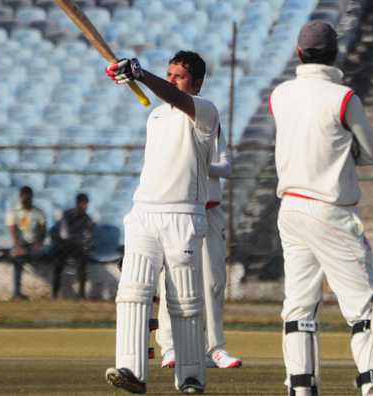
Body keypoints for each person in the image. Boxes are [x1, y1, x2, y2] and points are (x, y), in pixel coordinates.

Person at [270, 20, 373, 396]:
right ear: (335, 53)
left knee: (300, 306)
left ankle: (300, 387)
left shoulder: (280, 94)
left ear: (298, 53)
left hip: (290, 209)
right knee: (368, 307)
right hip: (330, 211)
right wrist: (347, 151)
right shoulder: (343, 97)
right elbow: (371, 153)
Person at [104, 50, 219, 394]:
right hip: (144, 212)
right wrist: (137, 76)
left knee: (183, 300)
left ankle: (191, 377)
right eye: (168, 74)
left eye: (178, 76)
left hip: (183, 215)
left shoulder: (205, 111)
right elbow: (166, 95)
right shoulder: (155, 116)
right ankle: (131, 369)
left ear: (196, 83)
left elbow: (175, 97)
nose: (171, 81)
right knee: (132, 292)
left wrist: (141, 74)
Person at [155, 123, 242, 369]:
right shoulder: (167, 125)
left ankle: (214, 349)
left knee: (213, 282)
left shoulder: (211, 124)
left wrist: (201, 164)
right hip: (179, 211)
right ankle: (170, 347)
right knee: (171, 279)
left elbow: (226, 167)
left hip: (211, 211)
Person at [50, 193, 94, 299]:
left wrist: (84, 244)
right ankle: (55, 293)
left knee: (82, 262)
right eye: (83, 204)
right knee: (58, 264)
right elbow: (62, 234)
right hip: (63, 245)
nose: (85, 206)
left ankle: (81, 294)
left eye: (86, 204)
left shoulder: (87, 219)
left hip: (77, 247)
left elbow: (88, 236)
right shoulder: (66, 215)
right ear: (78, 203)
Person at [5, 186, 46, 300]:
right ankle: (17, 293)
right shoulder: (14, 212)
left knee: (24, 256)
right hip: (19, 244)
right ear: (20, 197)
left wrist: (39, 243)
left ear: (32, 197)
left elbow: (43, 230)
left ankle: (17, 293)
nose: (27, 199)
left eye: (29, 197)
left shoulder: (38, 212)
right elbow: (12, 230)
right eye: (24, 197)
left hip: (33, 245)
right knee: (18, 260)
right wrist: (17, 246)